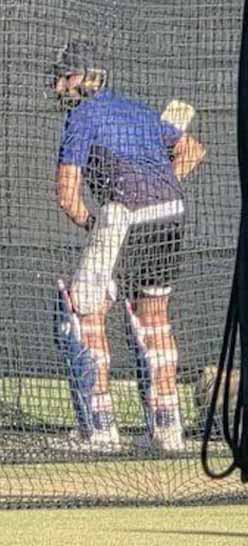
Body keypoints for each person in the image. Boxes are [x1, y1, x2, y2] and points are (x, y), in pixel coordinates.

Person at [51, 39, 205, 452]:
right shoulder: (137, 110)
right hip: (171, 211)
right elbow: (192, 150)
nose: (59, 87)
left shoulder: (82, 117)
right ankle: (168, 430)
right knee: (154, 317)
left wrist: (94, 225)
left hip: (124, 212)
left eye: (66, 77)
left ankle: (100, 430)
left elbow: (67, 194)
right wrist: (162, 182)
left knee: (83, 312)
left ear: (87, 78)